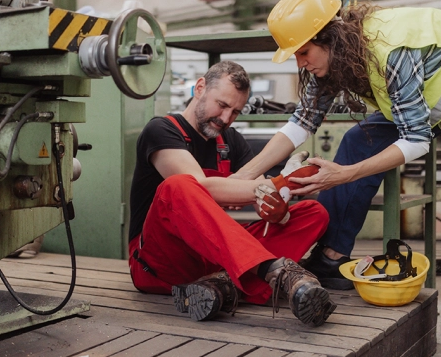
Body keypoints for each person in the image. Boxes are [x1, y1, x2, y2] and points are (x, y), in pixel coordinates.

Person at [234, 0, 441, 357]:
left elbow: (417, 139)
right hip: (430, 101)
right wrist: (241, 178)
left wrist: (344, 174)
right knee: (357, 141)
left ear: (327, 37)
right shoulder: (335, 58)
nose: (300, 63)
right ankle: (333, 257)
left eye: (302, 52)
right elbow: (301, 124)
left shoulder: (391, 50)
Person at [128, 60, 336, 327]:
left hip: (217, 256)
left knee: (313, 213)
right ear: (200, 87)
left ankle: (221, 287)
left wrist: (278, 205)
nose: (226, 118)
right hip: (161, 261)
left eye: (235, 111)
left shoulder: (232, 141)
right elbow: (202, 186)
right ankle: (270, 272)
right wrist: (280, 183)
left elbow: (264, 202)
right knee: (178, 186)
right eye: (222, 105)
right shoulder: (162, 130)